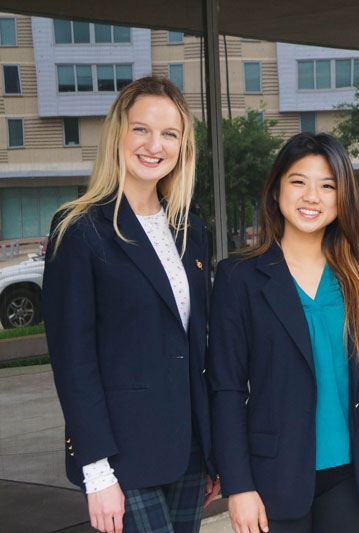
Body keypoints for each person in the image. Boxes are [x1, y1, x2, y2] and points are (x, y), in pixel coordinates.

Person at [42, 76, 219, 533]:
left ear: (183, 146)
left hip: (190, 453)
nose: (154, 145)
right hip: (122, 458)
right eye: (141, 129)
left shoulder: (191, 230)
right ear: (118, 134)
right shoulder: (79, 229)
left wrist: (212, 450)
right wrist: (95, 470)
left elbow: (197, 348)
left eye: (169, 134)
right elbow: (73, 362)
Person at [207, 132, 359, 533]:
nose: (312, 196)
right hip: (272, 477)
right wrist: (238, 485)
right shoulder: (239, 277)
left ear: (343, 199)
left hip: (352, 476)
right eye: (299, 182)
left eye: (328, 186)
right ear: (276, 190)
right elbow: (227, 388)